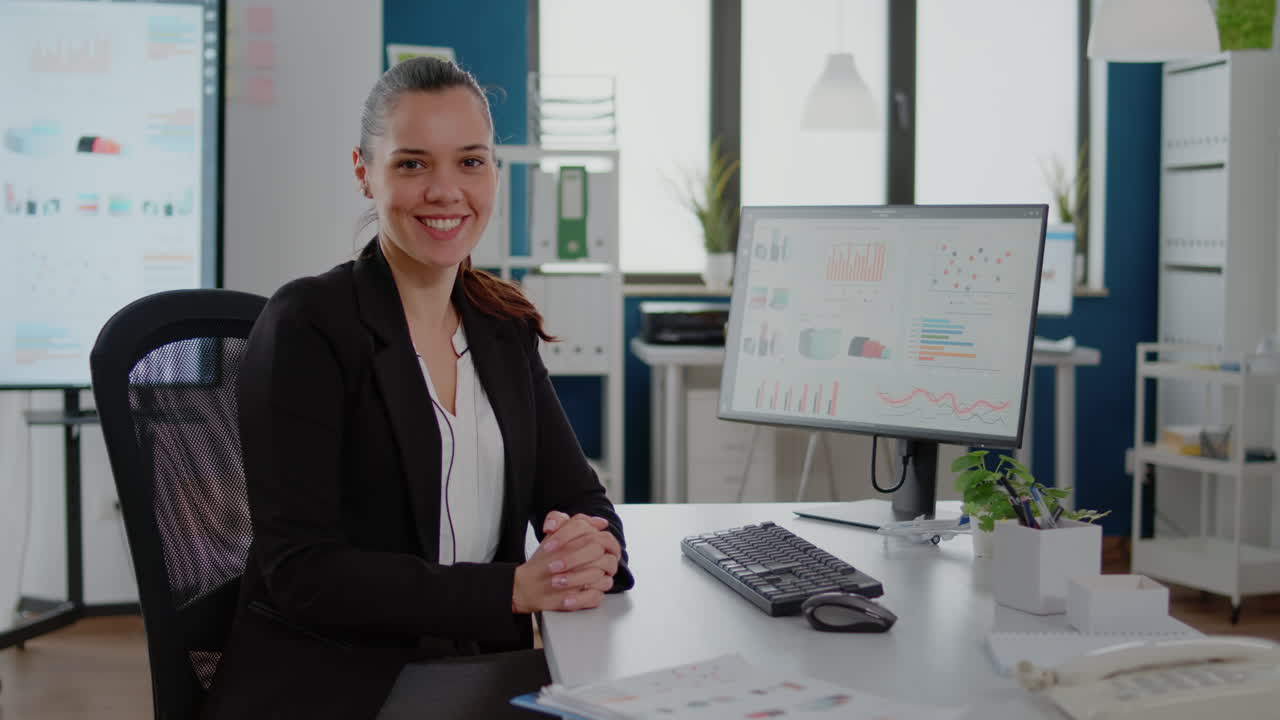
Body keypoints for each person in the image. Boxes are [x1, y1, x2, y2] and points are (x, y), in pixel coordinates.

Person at [203, 57, 634, 719]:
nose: (445, 191)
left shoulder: (501, 327)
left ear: (494, 171)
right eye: (411, 164)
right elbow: (303, 573)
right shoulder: (308, 326)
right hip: (339, 683)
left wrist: (593, 549)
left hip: (478, 670)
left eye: (470, 161)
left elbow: (580, 499)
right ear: (363, 173)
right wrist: (514, 589)